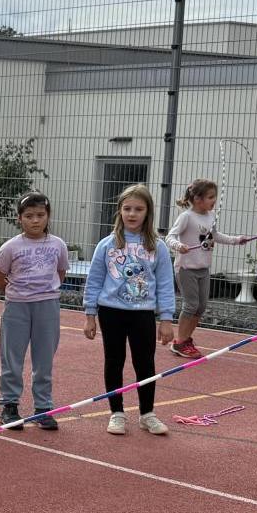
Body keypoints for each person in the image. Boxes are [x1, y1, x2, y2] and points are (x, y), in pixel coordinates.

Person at [82, 185, 176, 436]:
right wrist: (90, 315)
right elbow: (94, 280)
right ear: (119, 211)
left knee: (144, 363)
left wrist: (166, 318)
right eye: (127, 209)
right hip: (110, 312)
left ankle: (147, 414)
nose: (132, 214)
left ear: (148, 212)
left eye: (138, 209)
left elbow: (166, 284)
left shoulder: (158, 246)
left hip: (142, 313)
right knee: (114, 361)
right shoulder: (107, 244)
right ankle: (117, 413)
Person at [0, 192, 67, 430]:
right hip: (17, 307)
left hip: (47, 305)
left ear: (48, 216)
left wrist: (44, 292)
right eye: (29, 216)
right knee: (12, 357)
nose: (35, 220)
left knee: (44, 358)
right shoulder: (10, 247)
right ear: (19, 218)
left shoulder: (58, 245)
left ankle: (43, 408)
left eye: (40, 215)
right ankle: (10, 405)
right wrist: (17, 293)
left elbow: (61, 272)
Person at [164, 179, 251, 359]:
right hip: (186, 268)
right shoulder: (186, 217)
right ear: (197, 198)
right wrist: (179, 246)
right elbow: (169, 237)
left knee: (201, 306)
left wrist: (236, 240)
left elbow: (215, 235)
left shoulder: (211, 217)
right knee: (191, 305)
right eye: (211, 197)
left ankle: (185, 339)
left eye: (214, 197)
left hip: (203, 268)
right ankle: (180, 342)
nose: (214, 201)